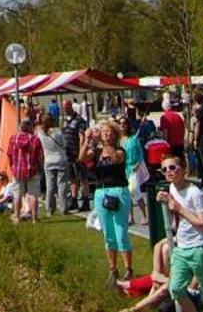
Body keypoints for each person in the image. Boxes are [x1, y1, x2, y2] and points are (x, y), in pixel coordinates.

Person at [160, 154, 203, 312]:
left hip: (199, 248)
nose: (168, 171)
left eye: (172, 167)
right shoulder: (171, 187)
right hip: (181, 248)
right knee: (176, 289)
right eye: (164, 169)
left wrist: (179, 209)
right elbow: (173, 206)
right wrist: (166, 198)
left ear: (183, 169)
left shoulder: (195, 193)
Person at [83, 121, 134, 284]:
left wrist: (105, 144)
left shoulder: (120, 151)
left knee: (121, 231)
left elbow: (115, 159)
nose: (106, 135)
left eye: (110, 132)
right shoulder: (96, 152)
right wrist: (86, 140)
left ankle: (128, 269)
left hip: (118, 191)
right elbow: (82, 158)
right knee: (108, 234)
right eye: (104, 132)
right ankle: (113, 269)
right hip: (101, 192)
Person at [7, 109, 46, 223]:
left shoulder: (13, 138)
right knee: (33, 195)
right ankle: (34, 218)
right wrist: (40, 167)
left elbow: (9, 154)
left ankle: (17, 217)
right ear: (29, 127)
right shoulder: (35, 139)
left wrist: (12, 166)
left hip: (17, 171)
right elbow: (40, 156)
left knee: (17, 195)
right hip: (32, 170)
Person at [40, 106, 71, 215]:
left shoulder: (40, 133)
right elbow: (64, 144)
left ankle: (49, 209)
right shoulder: (57, 131)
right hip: (61, 159)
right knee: (62, 185)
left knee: (50, 186)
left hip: (48, 160)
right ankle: (63, 208)